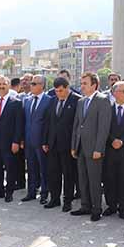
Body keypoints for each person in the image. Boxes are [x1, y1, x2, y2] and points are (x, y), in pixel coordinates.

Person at [70, 72, 112, 221]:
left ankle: (96, 208)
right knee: (82, 179)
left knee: (94, 180)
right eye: (81, 83)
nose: (81, 86)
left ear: (94, 85)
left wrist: (99, 149)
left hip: (94, 149)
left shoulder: (103, 100)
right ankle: (85, 205)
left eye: (85, 83)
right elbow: (76, 125)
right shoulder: (81, 101)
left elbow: (104, 127)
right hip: (81, 147)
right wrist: (74, 145)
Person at [42, 77, 81, 212]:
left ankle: (68, 201)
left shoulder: (77, 100)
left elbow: (78, 125)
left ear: (67, 88)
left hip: (68, 145)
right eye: (56, 91)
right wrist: (45, 141)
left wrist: (75, 146)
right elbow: (48, 122)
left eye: (61, 90)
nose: (59, 93)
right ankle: (54, 199)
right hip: (53, 144)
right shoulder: (53, 101)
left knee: (68, 174)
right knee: (53, 173)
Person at [103, 81, 124, 218]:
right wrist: (112, 140)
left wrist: (122, 140)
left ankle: (123, 208)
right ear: (114, 93)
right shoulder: (107, 109)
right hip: (110, 150)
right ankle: (111, 206)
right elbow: (104, 128)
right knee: (109, 179)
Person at [22, 75, 53, 204]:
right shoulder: (27, 100)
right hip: (28, 140)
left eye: (34, 83)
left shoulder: (49, 100)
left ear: (42, 85)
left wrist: (47, 141)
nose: (31, 85)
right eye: (32, 83)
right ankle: (31, 192)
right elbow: (24, 121)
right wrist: (22, 139)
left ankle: (45, 193)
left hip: (42, 141)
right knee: (31, 167)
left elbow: (50, 123)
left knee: (44, 168)